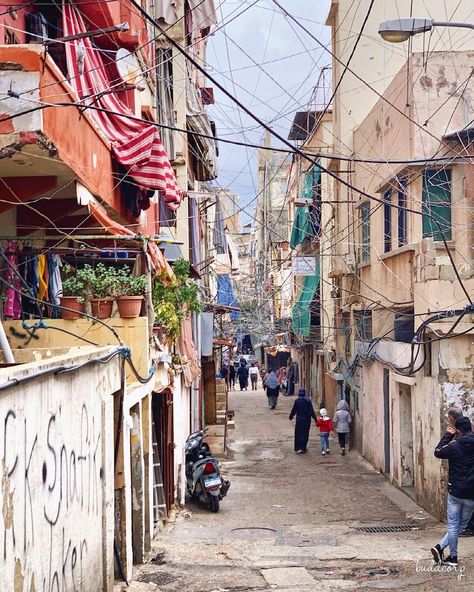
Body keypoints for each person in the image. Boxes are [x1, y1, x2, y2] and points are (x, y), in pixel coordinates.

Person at [431, 416, 474, 566]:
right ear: (471, 427)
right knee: (461, 526)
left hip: (455, 491)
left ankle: (448, 553)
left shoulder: (454, 446)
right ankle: (446, 552)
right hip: (471, 493)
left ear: (458, 430)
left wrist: (448, 436)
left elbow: (437, 452)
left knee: (454, 525)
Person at [289, 387, 316, 454]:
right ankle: (303, 447)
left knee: (298, 433)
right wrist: (315, 418)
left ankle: (298, 447)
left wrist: (291, 416)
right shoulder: (308, 401)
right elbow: (311, 411)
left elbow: (294, 410)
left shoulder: (297, 401)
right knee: (305, 433)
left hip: (299, 420)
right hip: (307, 420)